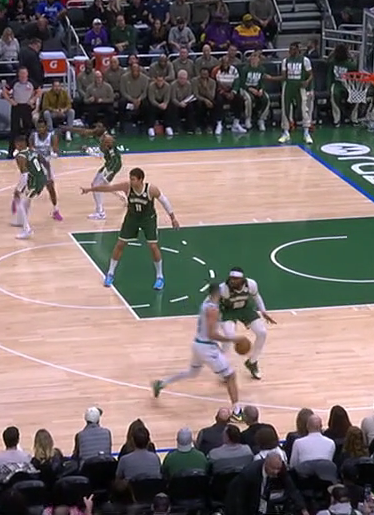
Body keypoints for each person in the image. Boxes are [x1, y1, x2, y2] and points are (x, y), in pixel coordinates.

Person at [81, 167, 179, 290]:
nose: (131, 181)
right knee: (120, 244)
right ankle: (110, 273)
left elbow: (164, 201)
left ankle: (160, 276)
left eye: (133, 179)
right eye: (130, 178)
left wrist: (173, 218)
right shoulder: (127, 187)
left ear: (141, 180)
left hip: (148, 219)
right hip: (132, 218)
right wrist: (90, 189)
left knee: (153, 246)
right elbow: (108, 188)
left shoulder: (151, 189)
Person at [151, 281, 242, 413]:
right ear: (219, 293)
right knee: (231, 376)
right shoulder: (213, 309)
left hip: (198, 344)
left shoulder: (205, 304)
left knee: (192, 373)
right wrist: (233, 339)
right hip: (207, 348)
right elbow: (211, 334)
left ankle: (161, 383)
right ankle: (237, 411)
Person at [218, 267, 276, 380]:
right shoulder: (223, 289)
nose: (232, 281)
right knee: (229, 337)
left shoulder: (251, 284)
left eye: (236, 279)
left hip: (245, 309)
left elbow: (256, 297)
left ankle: (252, 362)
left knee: (262, 333)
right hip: (228, 311)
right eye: (231, 278)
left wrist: (263, 311)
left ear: (242, 279)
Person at [70, 125, 123, 220]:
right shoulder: (101, 136)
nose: (95, 130)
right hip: (110, 163)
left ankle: (101, 213)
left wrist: (87, 149)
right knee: (103, 185)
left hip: (113, 164)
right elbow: (86, 131)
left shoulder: (107, 139)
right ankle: (122, 197)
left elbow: (99, 155)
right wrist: (69, 129)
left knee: (96, 186)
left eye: (97, 128)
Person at [12, 135, 49, 240]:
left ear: (19, 144)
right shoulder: (32, 151)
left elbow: (24, 174)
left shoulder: (20, 156)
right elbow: (43, 163)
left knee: (19, 201)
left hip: (34, 182)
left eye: (16, 144)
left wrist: (19, 189)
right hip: (41, 178)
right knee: (27, 200)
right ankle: (21, 221)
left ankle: (26, 229)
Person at [277, 41, 313, 144]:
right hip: (288, 86)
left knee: (304, 109)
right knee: (286, 109)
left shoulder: (305, 60)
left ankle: (306, 132)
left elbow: (311, 74)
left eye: (292, 49)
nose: (290, 51)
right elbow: (283, 76)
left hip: (300, 86)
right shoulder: (285, 61)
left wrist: (307, 81)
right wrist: (271, 78)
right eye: (289, 49)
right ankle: (285, 132)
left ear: (297, 50)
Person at [30, 118, 62, 221]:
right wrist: (37, 155)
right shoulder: (33, 136)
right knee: (29, 189)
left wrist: (53, 153)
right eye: (38, 127)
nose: (40, 129)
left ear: (46, 127)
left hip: (47, 165)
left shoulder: (52, 137)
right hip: (35, 165)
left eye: (42, 127)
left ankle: (56, 210)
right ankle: (23, 210)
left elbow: (56, 152)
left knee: (51, 188)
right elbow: (31, 150)